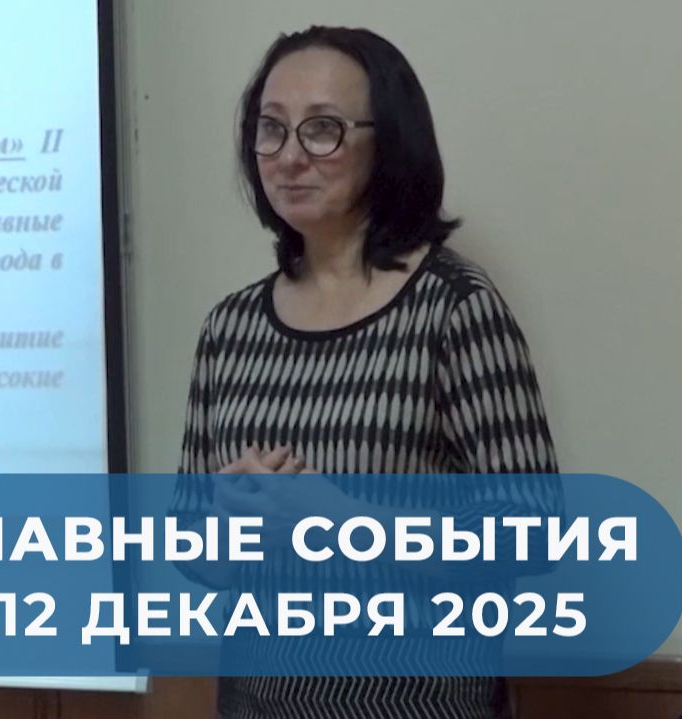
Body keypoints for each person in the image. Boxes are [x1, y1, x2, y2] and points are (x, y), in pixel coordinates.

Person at [170, 26, 560, 719]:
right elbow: (191, 546)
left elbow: (532, 531)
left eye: (323, 129)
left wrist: (343, 521)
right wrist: (227, 529)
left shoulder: (454, 308)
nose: (290, 156)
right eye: (270, 129)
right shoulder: (229, 328)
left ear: (391, 144)